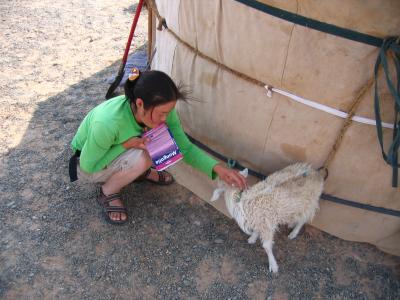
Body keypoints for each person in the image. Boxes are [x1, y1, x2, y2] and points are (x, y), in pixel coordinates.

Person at [70, 68, 247, 225]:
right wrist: (126, 145)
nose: (166, 119)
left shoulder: (158, 109)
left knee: (158, 146)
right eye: (162, 114)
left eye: (168, 113)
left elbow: (184, 148)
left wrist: (218, 169)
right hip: (85, 161)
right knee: (149, 153)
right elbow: (88, 166)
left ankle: (135, 171)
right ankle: (108, 191)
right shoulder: (108, 124)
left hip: (115, 148)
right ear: (140, 104)